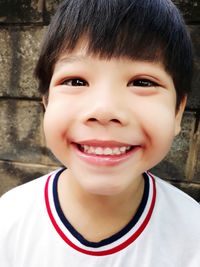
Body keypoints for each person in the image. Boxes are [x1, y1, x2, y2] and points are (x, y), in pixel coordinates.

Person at [0, 0, 200, 266]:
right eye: (76, 81)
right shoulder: (9, 219)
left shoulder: (192, 233)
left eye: (142, 82)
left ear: (177, 112)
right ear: (46, 103)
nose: (104, 110)